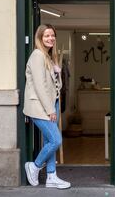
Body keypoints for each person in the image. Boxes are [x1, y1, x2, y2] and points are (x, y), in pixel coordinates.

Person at [23, 24, 70, 189]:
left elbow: (56, 85)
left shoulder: (48, 57)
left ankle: (51, 176)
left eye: (52, 35)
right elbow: (40, 86)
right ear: (39, 38)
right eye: (46, 36)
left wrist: (57, 72)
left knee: (50, 140)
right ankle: (34, 166)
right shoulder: (37, 55)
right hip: (40, 107)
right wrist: (50, 110)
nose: (50, 38)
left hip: (52, 104)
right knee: (56, 140)